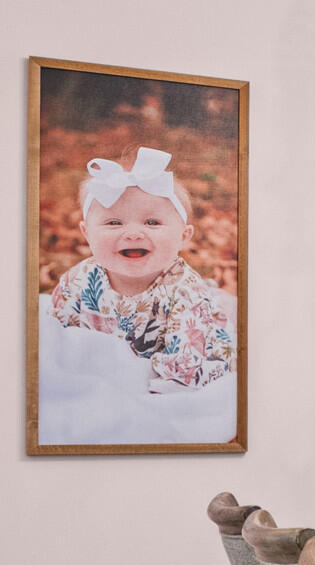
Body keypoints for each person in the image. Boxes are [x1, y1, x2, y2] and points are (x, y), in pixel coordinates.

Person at [48, 147, 236, 392]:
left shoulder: (185, 291)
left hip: (182, 360)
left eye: (152, 222)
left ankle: (221, 305)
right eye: (114, 222)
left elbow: (188, 365)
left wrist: (157, 387)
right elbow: (55, 339)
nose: (134, 233)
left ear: (184, 236)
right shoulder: (77, 281)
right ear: (86, 233)